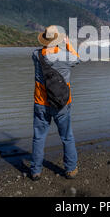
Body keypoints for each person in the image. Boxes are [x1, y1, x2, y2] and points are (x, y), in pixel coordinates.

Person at [30, 25, 81, 181]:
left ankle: (36, 171)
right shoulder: (66, 57)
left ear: (45, 40)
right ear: (58, 40)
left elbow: (44, 52)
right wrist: (68, 44)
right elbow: (77, 59)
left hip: (41, 103)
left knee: (39, 137)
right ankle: (71, 170)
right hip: (62, 104)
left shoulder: (35, 55)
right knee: (67, 136)